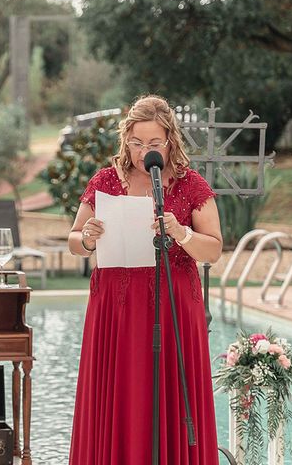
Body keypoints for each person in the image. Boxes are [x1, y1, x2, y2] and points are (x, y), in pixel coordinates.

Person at [68, 95, 222, 464]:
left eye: (153, 144)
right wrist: (87, 237)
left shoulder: (190, 186)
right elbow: (74, 241)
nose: (143, 151)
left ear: (170, 141)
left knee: (167, 395)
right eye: (136, 143)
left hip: (172, 309)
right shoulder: (105, 181)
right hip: (116, 312)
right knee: (120, 396)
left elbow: (213, 249)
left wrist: (181, 232)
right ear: (126, 139)